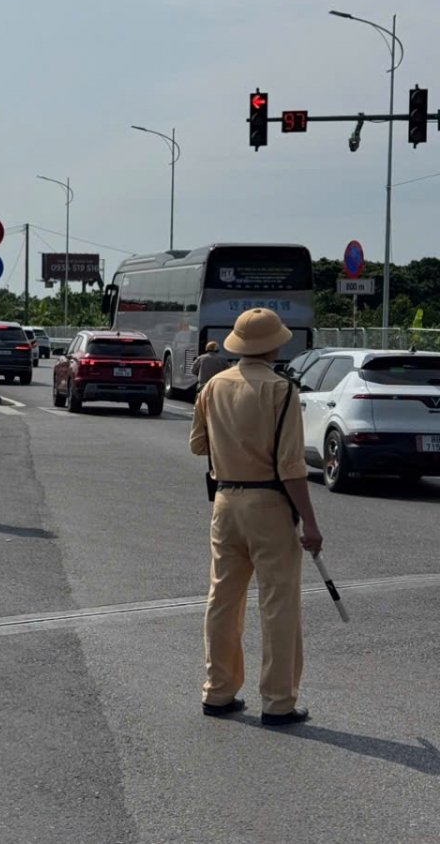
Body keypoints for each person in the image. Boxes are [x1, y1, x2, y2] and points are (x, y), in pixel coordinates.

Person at [190, 308, 323, 727]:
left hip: (226, 502)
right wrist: (311, 523)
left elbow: (198, 445)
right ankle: (278, 701)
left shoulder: (213, 385)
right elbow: (291, 467)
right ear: (274, 345)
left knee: (222, 600)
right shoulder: (282, 391)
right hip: (270, 506)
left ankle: (218, 691)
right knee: (278, 605)